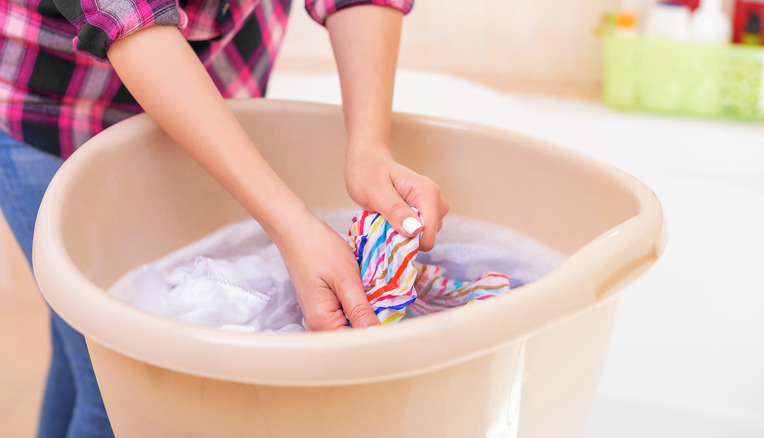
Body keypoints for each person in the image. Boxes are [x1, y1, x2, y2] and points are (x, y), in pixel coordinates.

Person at [0, 0, 449, 435]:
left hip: (218, 92)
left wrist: (368, 150)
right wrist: (291, 225)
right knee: (118, 389)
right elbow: (128, 12)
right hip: (58, 105)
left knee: (82, 356)